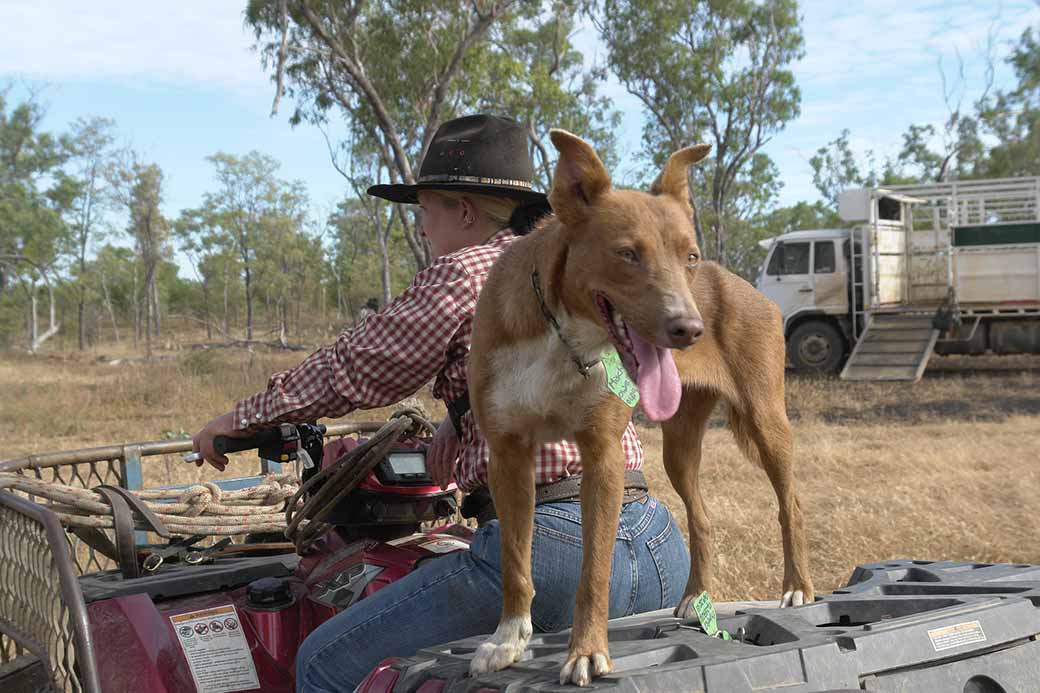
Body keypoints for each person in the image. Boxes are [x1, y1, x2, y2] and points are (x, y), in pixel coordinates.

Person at [191, 114, 691, 692]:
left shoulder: (464, 273)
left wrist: (241, 417)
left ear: (464, 210)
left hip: (551, 547)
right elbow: (585, 387)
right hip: (654, 541)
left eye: (425, 210)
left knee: (322, 663)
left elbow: (356, 367)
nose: (424, 228)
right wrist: (467, 414)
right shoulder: (568, 270)